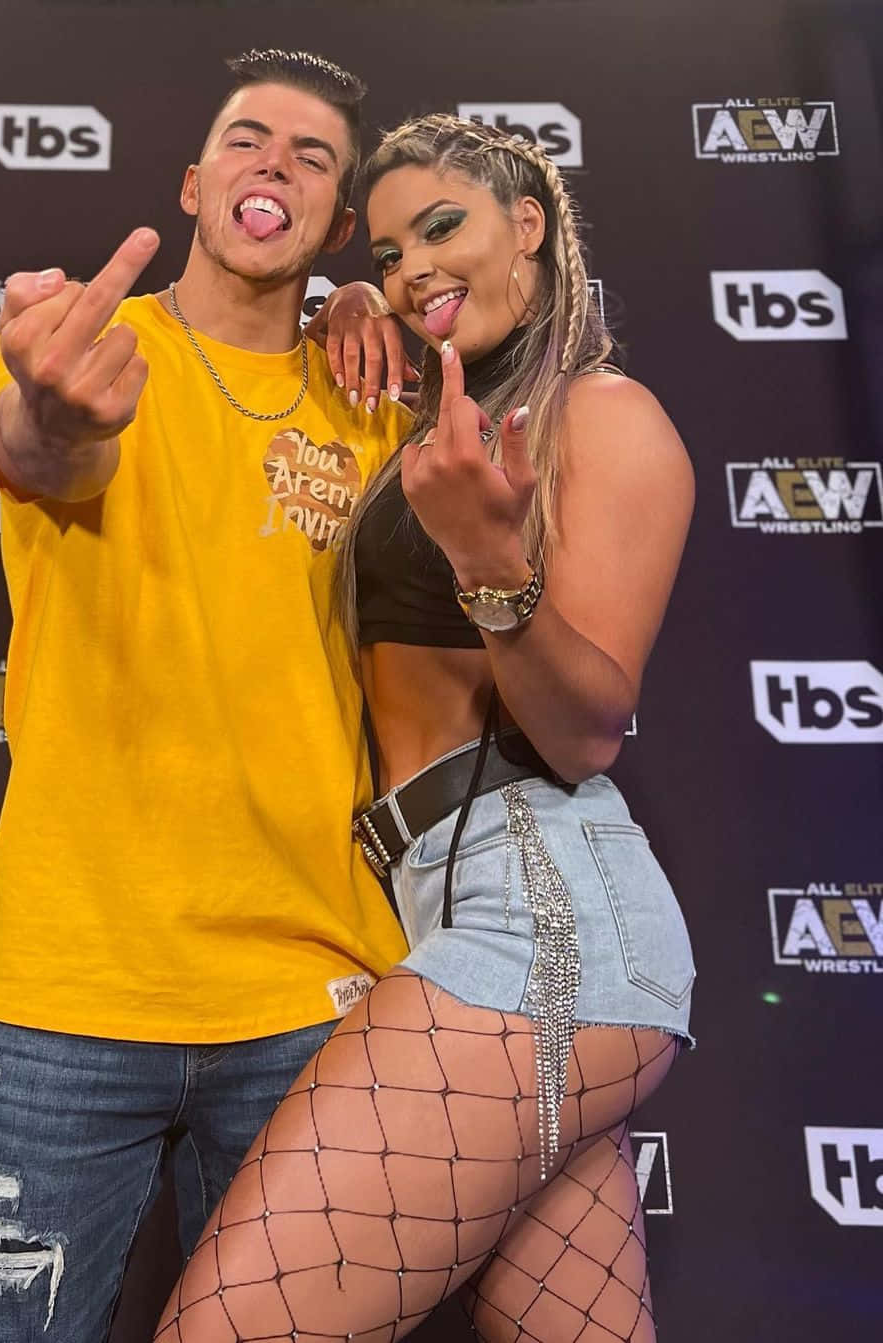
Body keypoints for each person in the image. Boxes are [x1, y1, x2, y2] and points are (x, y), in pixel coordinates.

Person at [153, 113, 696, 1343]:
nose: (414, 272)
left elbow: (587, 730)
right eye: (390, 253)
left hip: (539, 914)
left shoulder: (603, 415)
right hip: (436, 899)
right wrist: (341, 298)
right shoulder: (433, 418)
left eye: (443, 228)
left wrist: (492, 567)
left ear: (531, 224)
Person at [0, 50, 417, 1342]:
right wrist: (55, 413)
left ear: (337, 224)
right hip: (66, 991)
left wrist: (360, 303)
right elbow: (46, 450)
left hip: (312, 990)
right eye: (249, 139)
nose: (275, 164)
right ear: (194, 184)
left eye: (312, 157)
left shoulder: (376, 403)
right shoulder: (76, 348)